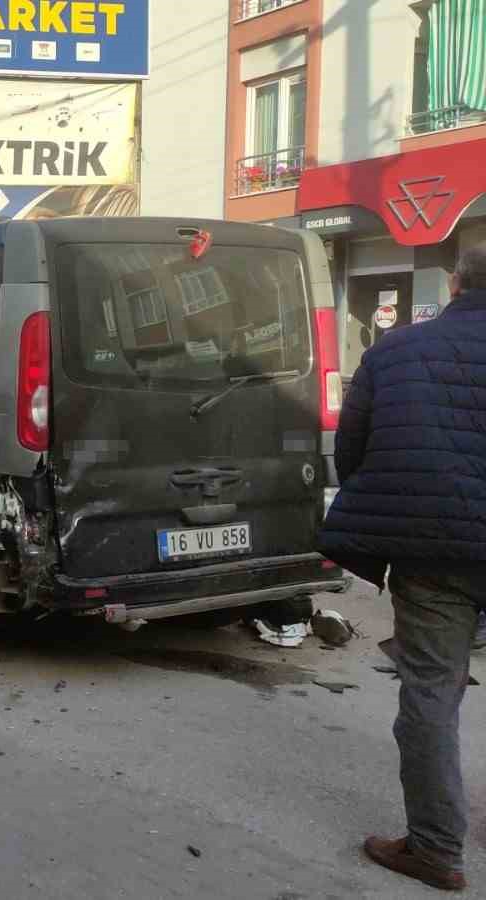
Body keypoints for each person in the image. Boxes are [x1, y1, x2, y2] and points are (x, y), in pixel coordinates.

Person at [319, 242, 486, 893]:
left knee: (430, 696)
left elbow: (350, 450)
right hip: (438, 545)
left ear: (453, 284)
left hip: (432, 552)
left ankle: (437, 850)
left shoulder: (394, 351)